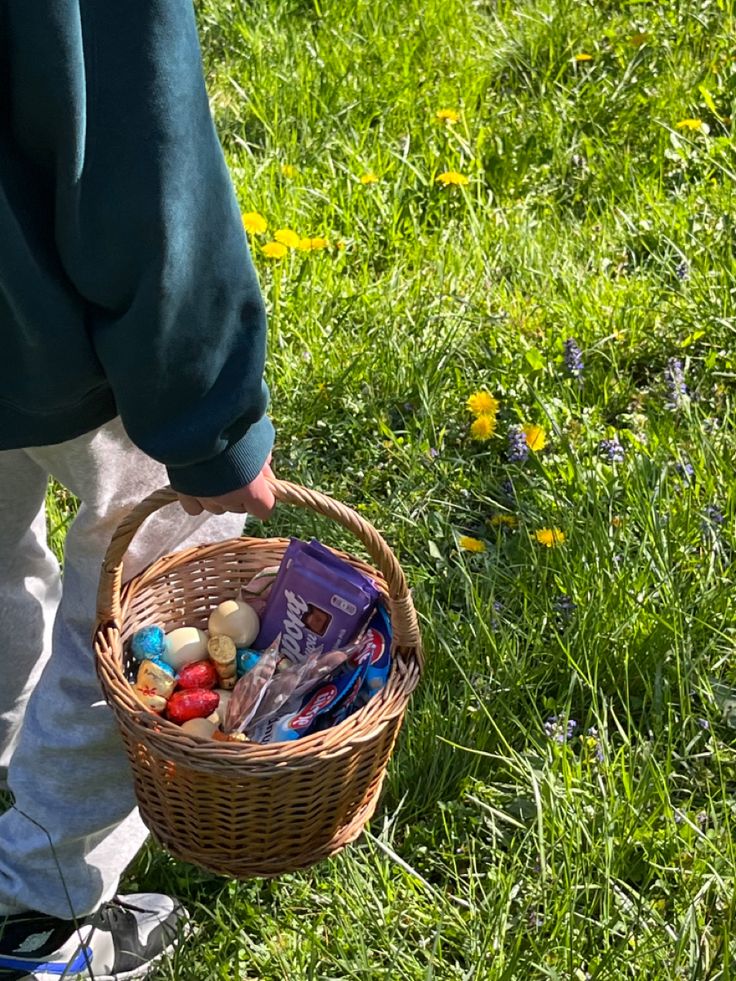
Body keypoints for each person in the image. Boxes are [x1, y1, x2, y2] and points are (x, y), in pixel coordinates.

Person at [0, 2, 275, 977]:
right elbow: (137, 150)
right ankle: (40, 909)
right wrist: (210, 423)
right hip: (51, 337)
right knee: (142, 588)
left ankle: (8, 778)